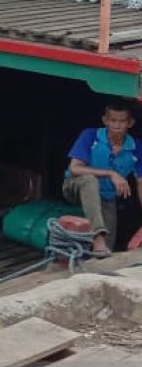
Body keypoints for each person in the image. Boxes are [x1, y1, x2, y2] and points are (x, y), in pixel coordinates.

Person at [64, 99, 142, 256]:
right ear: (105, 120)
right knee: (89, 180)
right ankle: (97, 236)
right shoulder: (91, 136)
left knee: (108, 249)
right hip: (75, 187)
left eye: (122, 121)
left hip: (106, 197)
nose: (117, 125)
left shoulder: (136, 147)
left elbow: (140, 182)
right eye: (113, 120)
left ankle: (99, 254)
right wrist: (112, 173)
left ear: (130, 123)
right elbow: (75, 168)